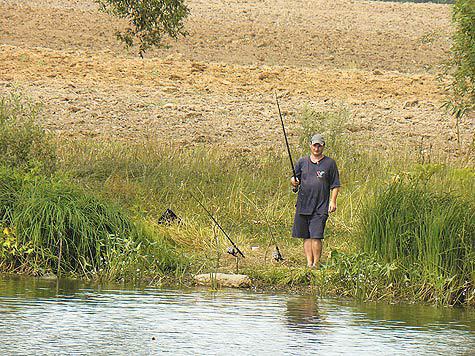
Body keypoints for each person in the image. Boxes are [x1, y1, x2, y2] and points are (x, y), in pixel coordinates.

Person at [290, 133, 340, 268]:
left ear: (323, 146)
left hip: (321, 206)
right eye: (314, 145)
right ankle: (309, 263)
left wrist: (333, 201)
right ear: (310, 145)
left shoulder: (330, 163)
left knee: (316, 236)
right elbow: (294, 179)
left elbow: (335, 185)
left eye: (319, 146)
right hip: (303, 204)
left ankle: (316, 264)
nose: (316, 148)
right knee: (306, 236)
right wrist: (294, 182)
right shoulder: (302, 161)